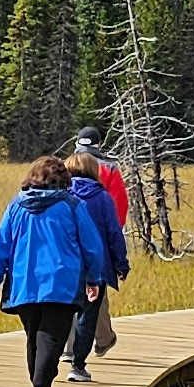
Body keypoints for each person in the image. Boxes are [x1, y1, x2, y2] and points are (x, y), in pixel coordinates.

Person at [0, 152, 104, 387]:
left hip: (24, 284)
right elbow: (92, 246)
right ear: (64, 180)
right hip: (62, 284)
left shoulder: (16, 206)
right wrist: (94, 278)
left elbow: (0, 245)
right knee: (51, 338)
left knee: (34, 337)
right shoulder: (72, 206)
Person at [65, 132, 131, 373]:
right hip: (100, 243)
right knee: (95, 298)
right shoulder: (110, 170)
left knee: (70, 296)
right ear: (99, 144)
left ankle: (69, 348)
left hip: (69, 249)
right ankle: (99, 342)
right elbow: (119, 209)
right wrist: (117, 253)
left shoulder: (66, 168)